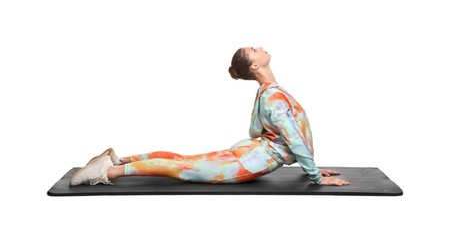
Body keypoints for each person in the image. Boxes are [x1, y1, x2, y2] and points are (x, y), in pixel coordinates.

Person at [70, 47, 350, 186]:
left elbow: (256, 131)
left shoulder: (267, 93)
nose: (260, 46)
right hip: (251, 160)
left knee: (184, 161)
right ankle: (108, 171)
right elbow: (292, 137)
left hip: (250, 152)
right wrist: (314, 174)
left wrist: (308, 164)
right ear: (255, 64)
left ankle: (120, 159)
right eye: (255, 48)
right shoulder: (274, 96)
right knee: (185, 168)